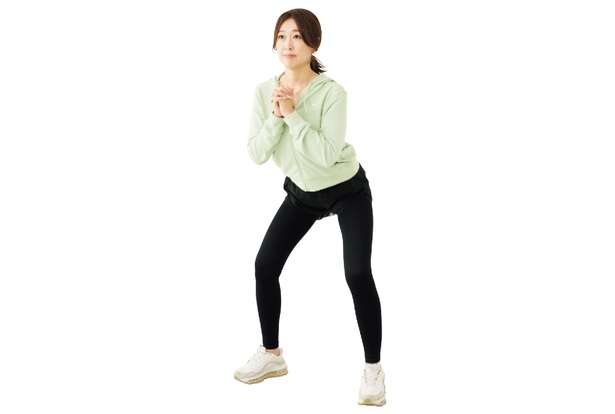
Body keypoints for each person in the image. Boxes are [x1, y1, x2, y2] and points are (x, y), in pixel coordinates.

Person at [234, 8, 386, 406]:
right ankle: (271, 355)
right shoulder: (263, 92)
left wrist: (293, 115)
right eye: (282, 36)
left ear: (313, 44)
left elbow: (325, 154)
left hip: (346, 190)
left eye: (298, 37)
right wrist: (276, 117)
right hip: (302, 193)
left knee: (357, 273)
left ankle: (373, 371)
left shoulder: (332, 93)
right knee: (264, 265)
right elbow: (256, 153)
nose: (288, 44)